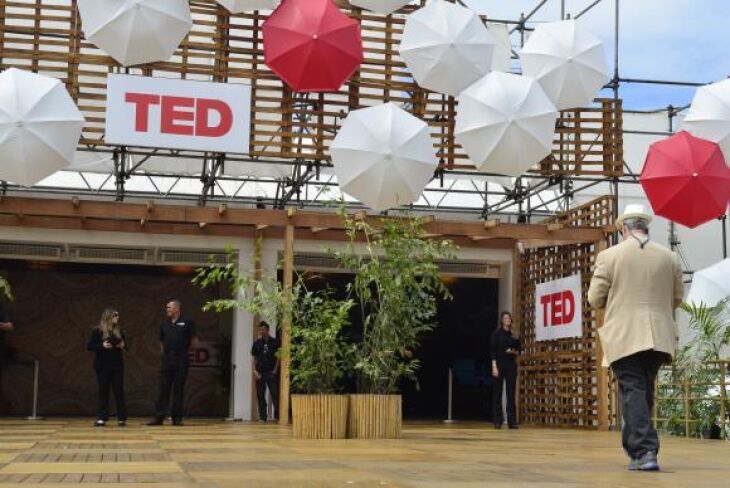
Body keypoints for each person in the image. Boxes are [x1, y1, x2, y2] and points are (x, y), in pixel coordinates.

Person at [588, 204, 683, 472]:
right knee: (642, 390)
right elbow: (677, 298)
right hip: (659, 334)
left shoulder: (610, 256)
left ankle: (645, 450)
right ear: (645, 226)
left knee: (633, 390)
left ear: (624, 228)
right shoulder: (669, 257)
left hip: (625, 333)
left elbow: (595, 299)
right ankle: (636, 451)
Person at [147, 300, 198, 426]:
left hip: (181, 358)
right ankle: (159, 417)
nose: (167, 310)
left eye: (169, 307)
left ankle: (177, 418)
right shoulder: (164, 324)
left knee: (179, 389)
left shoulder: (188, 321)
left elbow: (194, 340)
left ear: (176, 308)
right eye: (167, 308)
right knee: (163, 388)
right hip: (167, 359)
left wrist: (184, 353)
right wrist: (165, 354)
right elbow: (161, 341)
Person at [87, 308, 128, 427]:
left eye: (117, 316)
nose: (117, 318)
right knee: (103, 391)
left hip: (117, 366)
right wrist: (102, 345)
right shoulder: (97, 331)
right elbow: (89, 346)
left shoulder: (119, 330)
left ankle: (121, 418)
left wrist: (122, 345)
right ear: (108, 317)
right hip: (102, 366)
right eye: (115, 316)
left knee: (119, 391)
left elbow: (126, 346)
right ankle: (102, 417)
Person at [490, 311, 521, 429]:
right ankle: (497, 420)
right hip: (499, 365)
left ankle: (512, 421)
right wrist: (494, 367)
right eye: (505, 318)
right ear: (502, 321)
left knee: (511, 393)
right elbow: (493, 351)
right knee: (497, 393)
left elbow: (519, 350)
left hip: (511, 365)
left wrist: (513, 351)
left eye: (509, 318)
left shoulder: (514, 335)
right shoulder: (496, 334)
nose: (508, 319)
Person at [251, 321, 280, 422]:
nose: (261, 332)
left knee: (275, 394)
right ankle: (263, 417)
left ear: (267, 330)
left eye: (263, 330)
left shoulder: (275, 342)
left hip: (271, 372)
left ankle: (277, 416)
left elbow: (278, 357)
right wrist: (254, 370)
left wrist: (275, 370)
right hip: (260, 372)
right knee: (260, 395)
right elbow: (254, 357)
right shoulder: (257, 343)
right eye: (260, 330)